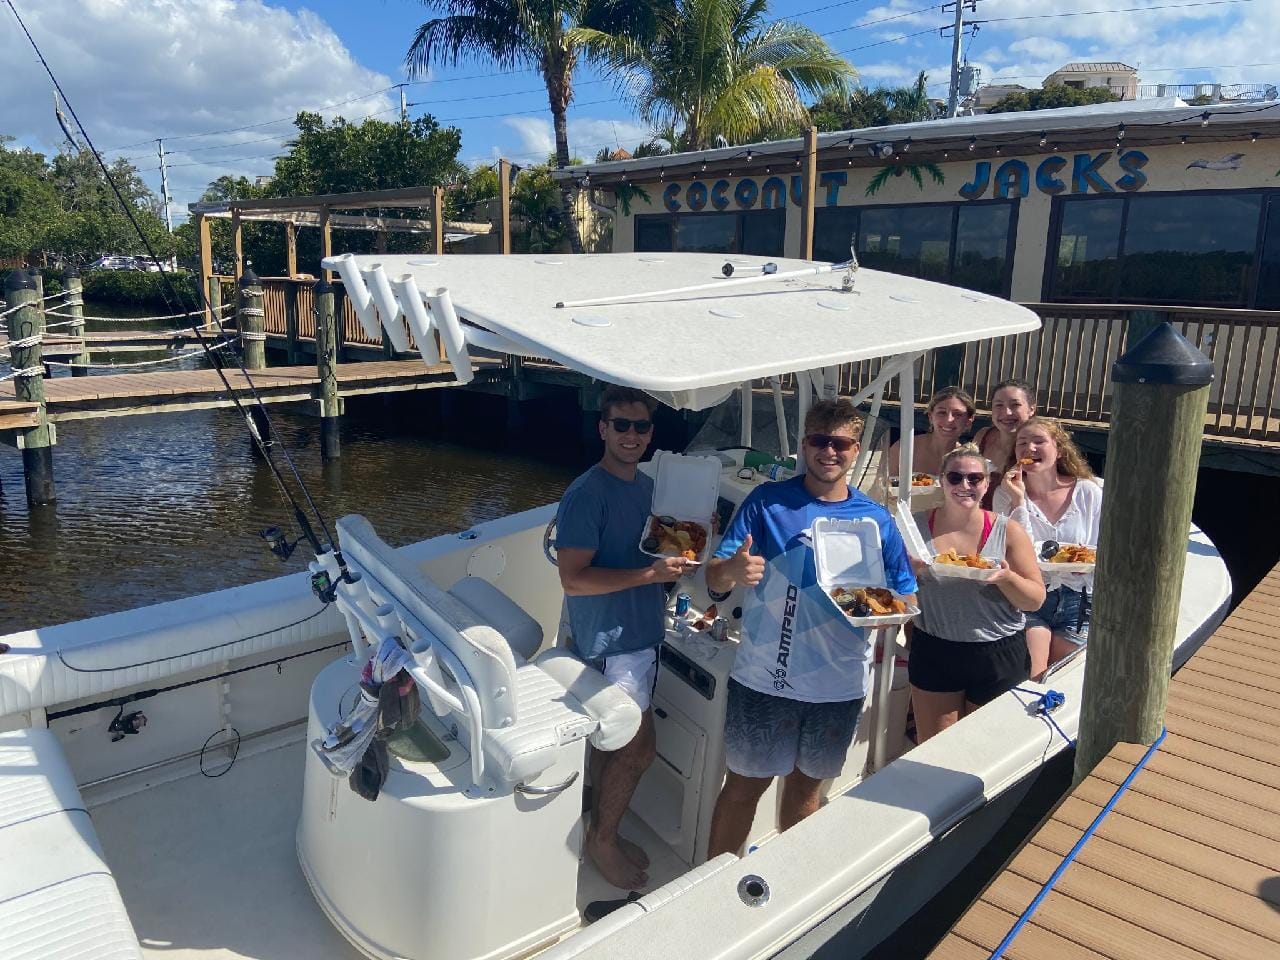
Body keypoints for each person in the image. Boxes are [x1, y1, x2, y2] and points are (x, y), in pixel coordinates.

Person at [704, 399, 917, 858]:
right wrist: (732, 572)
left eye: (840, 443)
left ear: (856, 450)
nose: (829, 452)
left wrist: (892, 614)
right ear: (804, 445)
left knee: (806, 794)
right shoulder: (766, 502)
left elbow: (905, 595)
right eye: (819, 441)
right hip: (764, 678)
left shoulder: (875, 520)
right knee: (743, 788)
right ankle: (712, 887)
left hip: (837, 687)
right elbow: (714, 577)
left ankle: (787, 882)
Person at [555, 385, 689, 890]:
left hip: (641, 636)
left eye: (641, 427)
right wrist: (649, 578)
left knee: (614, 746)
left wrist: (688, 540)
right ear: (603, 429)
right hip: (611, 646)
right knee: (635, 750)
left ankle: (594, 826)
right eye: (622, 426)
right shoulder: (586, 495)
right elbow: (573, 579)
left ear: (651, 434)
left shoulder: (645, 487)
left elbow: (649, 549)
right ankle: (601, 841)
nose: (632, 436)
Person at [909, 444, 1045, 742]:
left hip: (997, 652)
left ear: (986, 484)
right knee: (934, 750)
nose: (964, 485)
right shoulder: (915, 527)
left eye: (974, 479)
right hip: (935, 647)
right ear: (942, 480)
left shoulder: (1007, 531)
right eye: (955, 478)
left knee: (986, 747)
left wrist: (1007, 577)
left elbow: (1035, 599)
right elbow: (895, 591)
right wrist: (906, 573)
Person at [994, 418, 1102, 679]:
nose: (1029, 448)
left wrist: (1086, 568)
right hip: (1030, 598)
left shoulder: (1088, 491)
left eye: (1039, 441)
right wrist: (1019, 502)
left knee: (1066, 678)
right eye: (1022, 443)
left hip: (1080, 597)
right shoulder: (1004, 495)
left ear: (1060, 450)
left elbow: (1104, 549)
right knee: (1033, 676)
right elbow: (1016, 555)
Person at [971, 379, 1037, 509]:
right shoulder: (983, 436)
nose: (1007, 412)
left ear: (1031, 409)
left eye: (1015, 405)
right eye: (999, 405)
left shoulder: (1037, 447)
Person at [887, 386, 977, 478]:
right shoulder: (905, 448)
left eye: (957, 414)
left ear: (969, 421)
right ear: (930, 416)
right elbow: (880, 488)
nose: (949, 420)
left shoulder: (969, 460)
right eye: (942, 412)